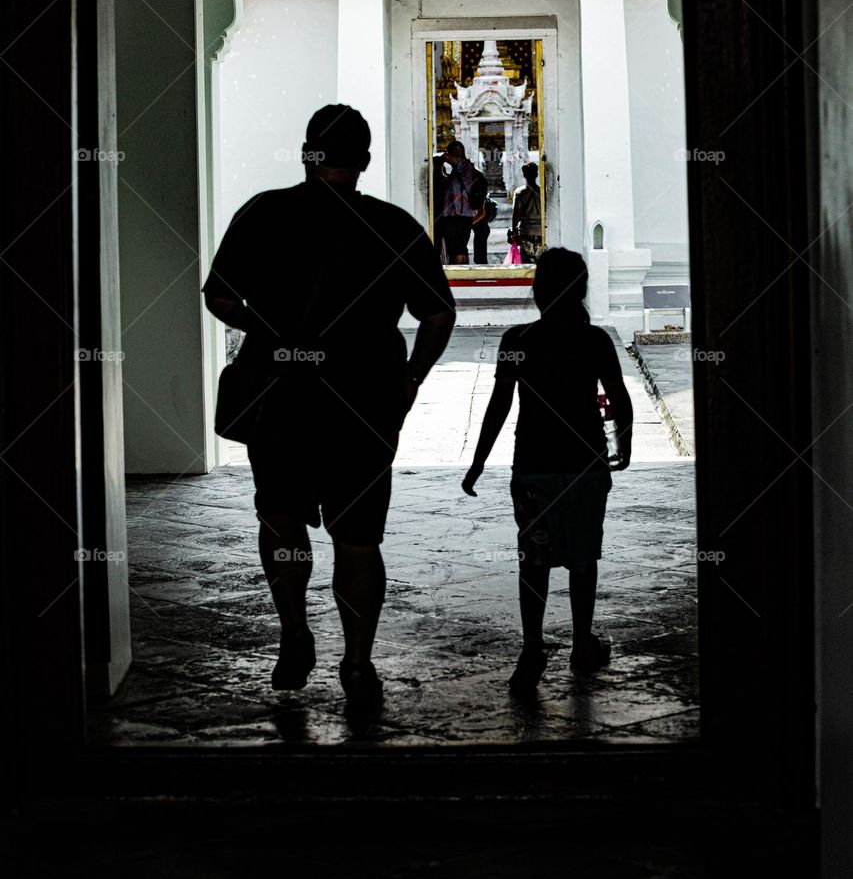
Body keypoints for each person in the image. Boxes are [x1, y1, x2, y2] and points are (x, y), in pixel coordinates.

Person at [203, 105, 456, 708]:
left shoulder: (265, 214)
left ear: (306, 155)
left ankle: (294, 631)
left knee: (283, 520)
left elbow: (219, 295)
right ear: (364, 162)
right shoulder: (395, 228)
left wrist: (269, 329)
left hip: (282, 398)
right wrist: (411, 377)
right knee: (359, 539)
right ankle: (358, 661)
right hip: (363, 405)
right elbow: (439, 313)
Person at [461, 248, 632, 693]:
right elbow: (619, 399)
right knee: (582, 558)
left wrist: (479, 460)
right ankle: (581, 641)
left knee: (533, 561)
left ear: (538, 292)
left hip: (533, 466)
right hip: (585, 464)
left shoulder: (518, 341)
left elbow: (499, 406)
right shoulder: (594, 342)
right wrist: (623, 445)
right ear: (581, 291)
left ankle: (533, 646)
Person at [441, 140, 484, 263]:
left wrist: (442, 158)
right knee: (459, 248)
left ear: (457, 153)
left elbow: (448, 157)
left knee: (457, 249)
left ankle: (458, 276)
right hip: (460, 216)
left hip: (458, 216)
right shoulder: (458, 172)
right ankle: (462, 274)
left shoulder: (464, 166)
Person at [511, 162, 543, 264]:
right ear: (537, 174)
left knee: (526, 264)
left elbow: (516, 213)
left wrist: (514, 230)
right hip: (541, 232)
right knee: (540, 264)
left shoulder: (519, 192)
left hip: (526, 232)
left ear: (524, 175)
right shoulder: (542, 192)